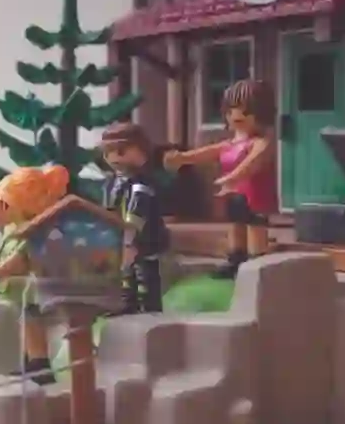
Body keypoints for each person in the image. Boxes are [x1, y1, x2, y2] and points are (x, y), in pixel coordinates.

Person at [165, 79, 278, 278]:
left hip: (255, 196)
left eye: (245, 112)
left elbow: (252, 162)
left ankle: (257, 263)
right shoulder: (231, 144)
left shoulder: (260, 143)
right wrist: (183, 158)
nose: (236, 116)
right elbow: (207, 152)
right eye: (230, 111)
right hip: (234, 194)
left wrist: (232, 177)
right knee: (235, 226)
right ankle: (235, 259)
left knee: (255, 227)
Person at [0, 165, 69, 384]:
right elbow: (0, 219)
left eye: (7, 204)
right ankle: (31, 361)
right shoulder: (16, 226)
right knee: (26, 322)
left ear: (23, 206)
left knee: (32, 321)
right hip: (21, 289)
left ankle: (39, 364)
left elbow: (18, 261)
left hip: (38, 290)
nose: (3, 208)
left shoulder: (36, 232)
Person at [100, 122, 170, 314]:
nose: (114, 158)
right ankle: (126, 303)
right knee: (125, 273)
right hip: (120, 235)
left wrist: (130, 239)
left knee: (144, 272)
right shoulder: (111, 183)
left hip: (143, 237)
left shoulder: (141, 184)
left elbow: (138, 212)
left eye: (121, 151)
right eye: (108, 152)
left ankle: (149, 306)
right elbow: (108, 208)